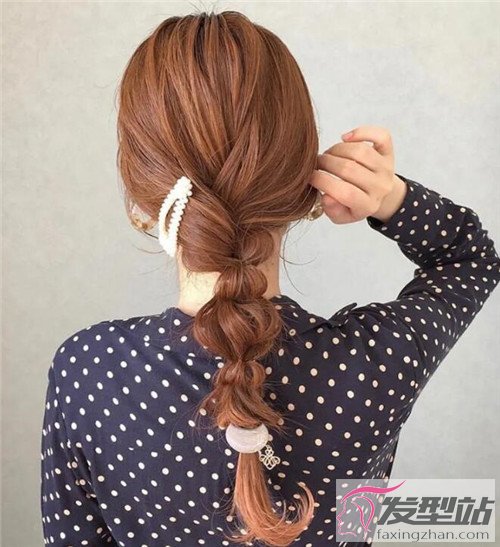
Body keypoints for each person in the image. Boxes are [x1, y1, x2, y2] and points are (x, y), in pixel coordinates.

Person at [40, 10, 500, 547]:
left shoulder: (87, 374)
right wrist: (391, 198)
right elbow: (470, 260)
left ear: (142, 197)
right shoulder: (376, 364)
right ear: (305, 185)